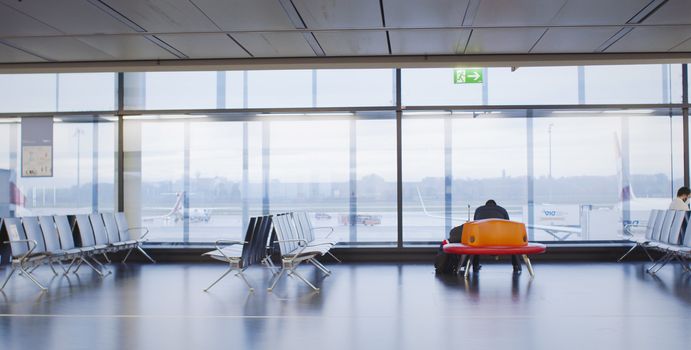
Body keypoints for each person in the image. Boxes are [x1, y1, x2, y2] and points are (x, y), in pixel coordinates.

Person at [468, 199, 522, 273]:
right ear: (495, 205)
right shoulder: (502, 210)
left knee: (476, 239)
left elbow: (475, 224)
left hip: (482, 239)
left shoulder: (478, 210)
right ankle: (516, 266)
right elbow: (508, 226)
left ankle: (475, 265)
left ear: (485, 204)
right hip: (500, 239)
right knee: (513, 242)